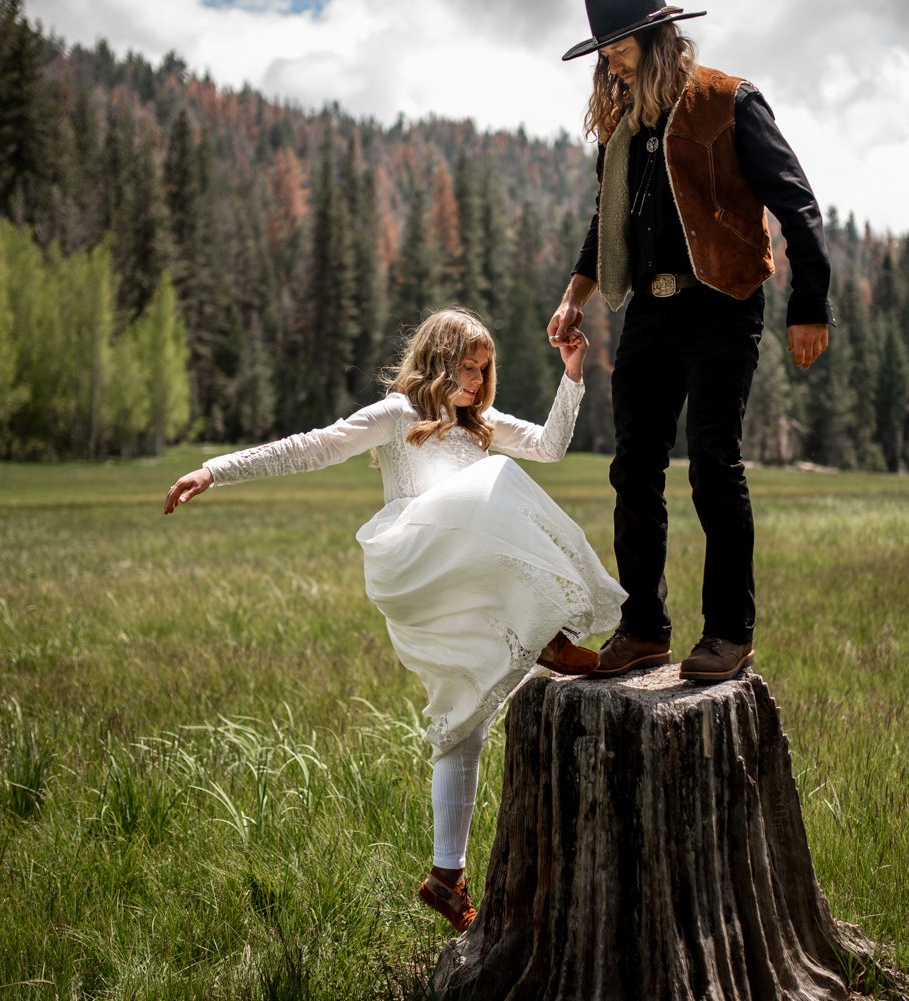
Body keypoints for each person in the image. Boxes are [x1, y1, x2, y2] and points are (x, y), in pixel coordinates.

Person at [163, 307, 624, 932]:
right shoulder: (397, 416)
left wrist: (572, 376)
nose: (475, 383)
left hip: (463, 583)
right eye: (466, 369)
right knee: (496, 483)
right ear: (437, 360)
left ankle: (445, 876)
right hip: (413, 562)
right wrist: (216, 469)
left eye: (484, 371)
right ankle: (551, 635)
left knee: (466, 717)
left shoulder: (480, 426)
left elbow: (549, 445)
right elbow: (313, 447)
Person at [548, 0, 833, 684]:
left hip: (723, 304)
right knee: (634, 469)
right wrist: (573, 295)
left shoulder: (730, 101)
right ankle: (643, 628)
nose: (610, 60)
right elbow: (604, 223)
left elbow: (796, 202)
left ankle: (730, 633)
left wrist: (810, 302)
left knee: (712, 461)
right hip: (648, 310)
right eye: (603, 49)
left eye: (617, 45)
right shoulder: (623, 129)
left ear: (653, 37)